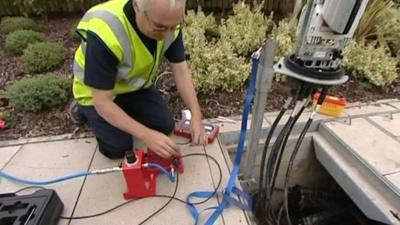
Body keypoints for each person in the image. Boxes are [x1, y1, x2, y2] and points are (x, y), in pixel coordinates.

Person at [70, 0, 206, 159]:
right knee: (118, 148)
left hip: (133, 87)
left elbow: (181, 71)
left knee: (165, 126)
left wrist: (196, 115)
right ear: (136, 7)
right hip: (95, 95)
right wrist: (147, 135)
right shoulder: (106, 32)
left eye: (174, 26)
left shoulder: (168, 21)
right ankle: (81, 111)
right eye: (160, 27)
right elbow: (102, 102)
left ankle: (122, 113)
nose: (168, 34)